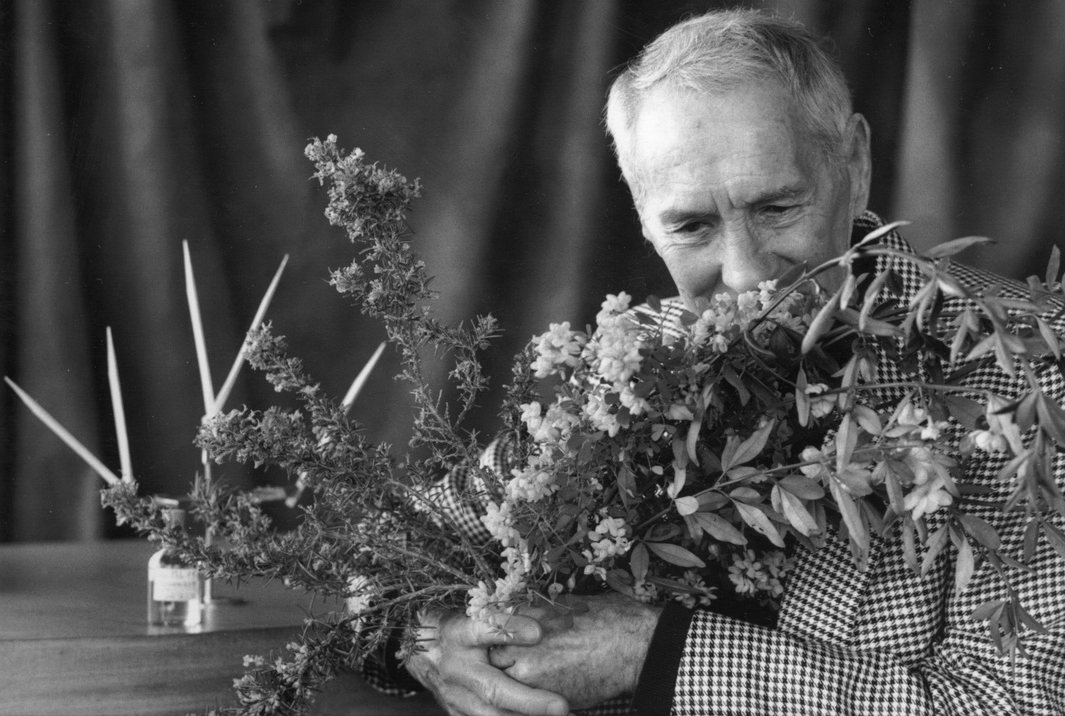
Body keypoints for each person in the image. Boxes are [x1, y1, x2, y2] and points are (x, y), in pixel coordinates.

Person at [367, 9, 1065, 715]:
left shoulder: (1038, 374)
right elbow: (394, 543)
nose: (741, 274)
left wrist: (653, 652)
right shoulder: (635, 359)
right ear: (643, 215)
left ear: (853, 164)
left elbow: (1025, 699)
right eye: (691, 225)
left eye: (776, 208)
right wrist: (430, 642)